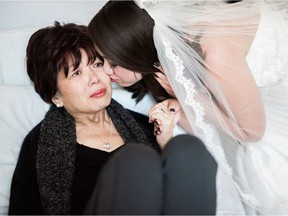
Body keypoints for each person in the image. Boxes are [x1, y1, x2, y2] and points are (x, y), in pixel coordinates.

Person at [88, 0, 288, 214]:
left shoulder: (215, 53)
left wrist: (188, 95)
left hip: (272, 119)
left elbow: (251, 132)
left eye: (114, 62)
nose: (106, 72)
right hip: (259, 104)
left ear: (134, 50)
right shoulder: (174, 51)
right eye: (102, 62)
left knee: (257, 163)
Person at [8, 21, 217, 215]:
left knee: (187, 148)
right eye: (76, 73)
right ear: (55, 95)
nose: (94, 79)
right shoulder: (39, 146)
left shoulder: (147, 127)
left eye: (97, 65)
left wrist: (165, 144)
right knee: (137, 160)